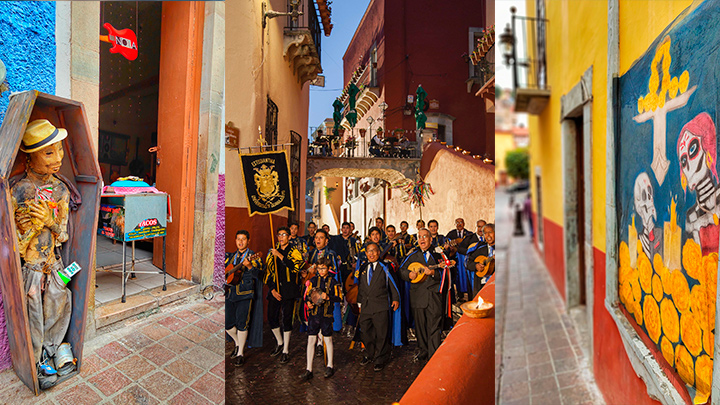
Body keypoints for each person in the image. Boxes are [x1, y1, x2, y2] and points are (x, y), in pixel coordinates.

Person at [11, 119, 73, 389]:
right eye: (49, 152)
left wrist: (49, 221)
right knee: (33, 313)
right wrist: (32, 229)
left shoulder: (61, 189)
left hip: (55, 263)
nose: (58, 159)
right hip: (33, 267)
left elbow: (64, 235)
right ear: (29, 156)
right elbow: (14, 245)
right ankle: (36, 361)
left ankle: (53, 350)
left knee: (59, 306)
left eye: (59, 150)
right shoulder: (18, 192)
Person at [400, 229, 455, 363]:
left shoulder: (439, 255)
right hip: (418, 296)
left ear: (430, 239)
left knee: (434, 326)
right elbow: (402, 271)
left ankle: (434, 354)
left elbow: (448, 275)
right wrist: (409, 275)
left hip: (434, 296)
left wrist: (433, 274)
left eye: (425, 236)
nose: (422, 239)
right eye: (419, 237)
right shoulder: (412, 255)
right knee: (420, 326)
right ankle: (423, 350)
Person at [356, 243, 400, 371]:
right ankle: (370, 354)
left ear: (378, 252)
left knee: (381, 333)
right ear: (366, 254)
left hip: (381, 305)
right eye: (369, 251)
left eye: (374, 251)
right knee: (365, 332)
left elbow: (393, 283)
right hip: (366, 306)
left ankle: (380, 358)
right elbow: (361, 286)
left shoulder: (385, 267)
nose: (371, 254)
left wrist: (396, 298)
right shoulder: (363, 267)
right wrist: (359, 302)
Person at [264, 227, 305, 363]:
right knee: (272, 317)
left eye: (284, 235)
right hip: (275, 291)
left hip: (289, 290)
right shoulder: (271, 253)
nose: (281, 237)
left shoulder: (294, 251)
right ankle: (280, 342)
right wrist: (272, 289)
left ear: (288, 237)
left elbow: (296, 268)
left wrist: (280, 256)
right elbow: (268, 273)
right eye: (279, 235)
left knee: (287, 319)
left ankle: (286, 350)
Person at [225, 230, 263, 366]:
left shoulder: (254, 256)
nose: (240, 242)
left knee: (242, 323)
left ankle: (240, 352)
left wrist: (250, 266)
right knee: (228, 323)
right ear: (235, 241)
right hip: (230, 293)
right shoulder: (231, 257)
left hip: (245, 294)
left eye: (243, 239)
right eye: (238, 239)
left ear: (248, 241)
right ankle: (237, 342)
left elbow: (259, 275)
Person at [301, 258, 343, 380]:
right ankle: (309, 369)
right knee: (311, 340)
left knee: (328, 340)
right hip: (314, 315)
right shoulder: (313, 280)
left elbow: (339, 297)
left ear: (329, 269)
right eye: (319, 268)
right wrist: (308, 302)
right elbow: (307, 295)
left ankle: (330, 365)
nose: (321, 271)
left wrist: (328, 297)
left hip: (326, 315)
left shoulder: (333, 281)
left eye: (323, 268)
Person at [456, 219, 487, 297]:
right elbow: (460, 249)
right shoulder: (469, 238)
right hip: (473, 269)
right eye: (479, 227)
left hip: (486, 268)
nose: (481, 229)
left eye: (483, 227)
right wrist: (470, 252)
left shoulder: (488, 238)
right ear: (476, 227)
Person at [467, 223, 495, 297]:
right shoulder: (479, 249)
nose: (488, 235)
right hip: (482, 287)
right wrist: (476, 266)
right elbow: (468, 263)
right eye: (485, 233)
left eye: (490, 232)